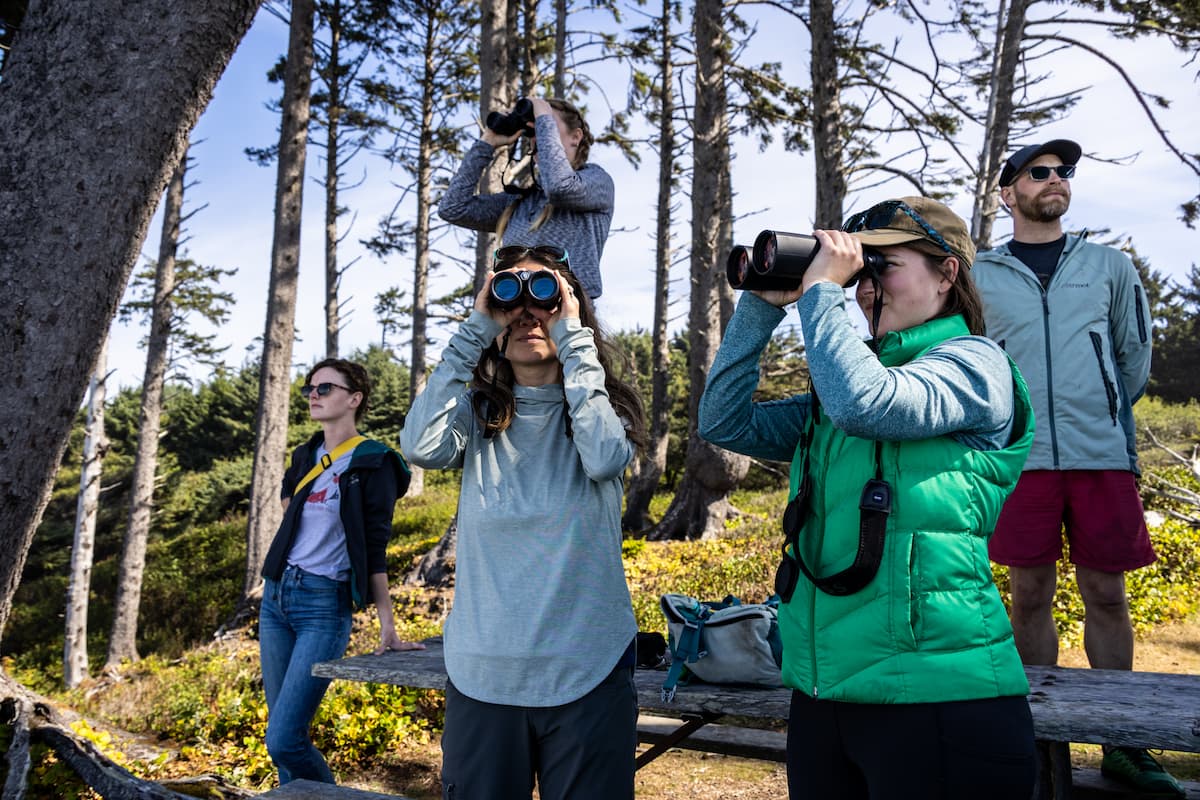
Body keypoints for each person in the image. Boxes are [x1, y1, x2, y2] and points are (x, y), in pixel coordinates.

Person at [699, 197, 1038, 799]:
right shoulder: (842, 382)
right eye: (859, 272)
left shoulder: (976, 363)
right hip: (824, 690)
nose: (861, 287)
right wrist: (760, 306)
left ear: (947, 273)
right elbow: (725, 423)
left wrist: (821, 293)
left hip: (939, 693)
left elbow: (870, 404)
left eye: (883, 265)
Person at [400, 245, 647, 800]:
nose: (528, 312)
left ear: (571, 309)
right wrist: (477, 326)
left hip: (587, 668)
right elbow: (419, 445)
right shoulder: (476, 414)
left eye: (547, 295)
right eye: (512, 296)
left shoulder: (600, 408)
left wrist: (573, 339)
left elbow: (605, 456)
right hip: (483, 674)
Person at [976, 140, 1180, 797]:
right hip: (1020, 456)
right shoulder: (980, 274)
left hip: (1100, 456)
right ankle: (1037, 738)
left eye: (1064, 171)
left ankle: (1124, 743)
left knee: (1107, 593)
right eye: (1040, 172)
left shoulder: (1109, 267)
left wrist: (1102, 409)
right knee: (1027, 594)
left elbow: (1132, 355)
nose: (1056, 179)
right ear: (1008, 193)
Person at [259, 358, 424, 785]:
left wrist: (388, 626)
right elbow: (288, 514)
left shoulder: (376, 462)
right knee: (279, 739)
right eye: (310, 388)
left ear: (354, 399)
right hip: (277, 598)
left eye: (326, 388)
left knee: (284, 740)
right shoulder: (305, 454)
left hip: (322, 606)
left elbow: (374, 548)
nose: (314, 394)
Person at [438, 96, 613, 300]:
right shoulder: (520, 202)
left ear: (575, 137)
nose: (540, 134)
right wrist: (487, 143)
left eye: (547, 127)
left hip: (567, 319)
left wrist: (543, 116)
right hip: (516, 315)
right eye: (534, 130)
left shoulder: (596, 180)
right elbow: (452, 208)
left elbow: (559, 187)